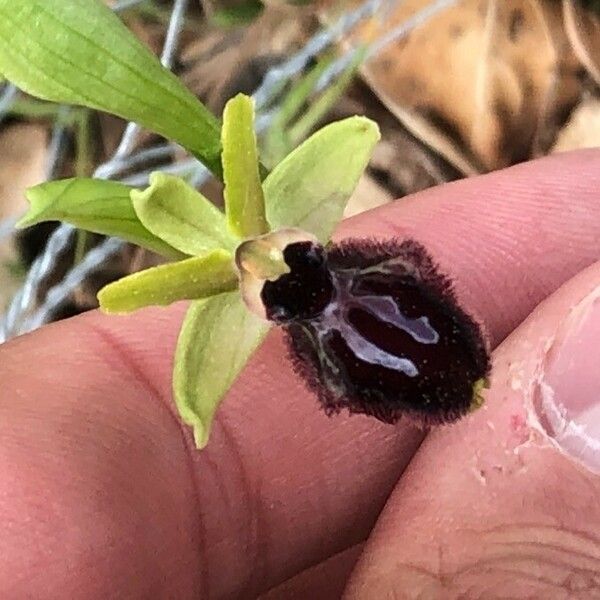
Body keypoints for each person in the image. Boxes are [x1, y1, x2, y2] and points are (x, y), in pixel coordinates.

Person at [0, 149, 599, 599]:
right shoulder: (235, 321)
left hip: (354, 305)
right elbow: (195, 393)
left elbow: (347, 144)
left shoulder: (298, 244)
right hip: (335, 323)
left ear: (302, 245)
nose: (272, 267)